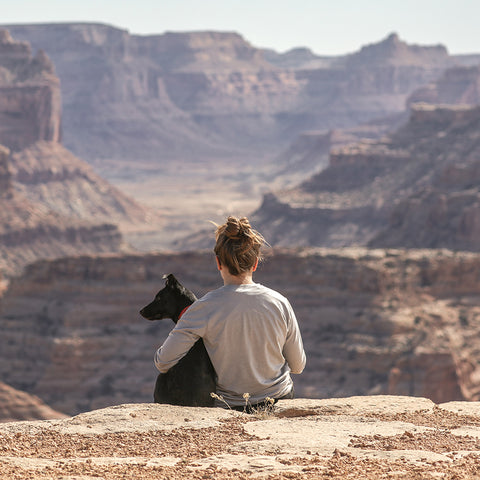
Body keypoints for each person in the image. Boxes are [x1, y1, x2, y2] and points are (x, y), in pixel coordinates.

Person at [154, 216, 306, 410]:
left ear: (218, 262)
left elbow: (163, 362)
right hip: (279, 400)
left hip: (231, 406)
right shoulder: (280, 303)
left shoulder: (203, 308)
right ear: (255, 264)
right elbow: (298, 366)